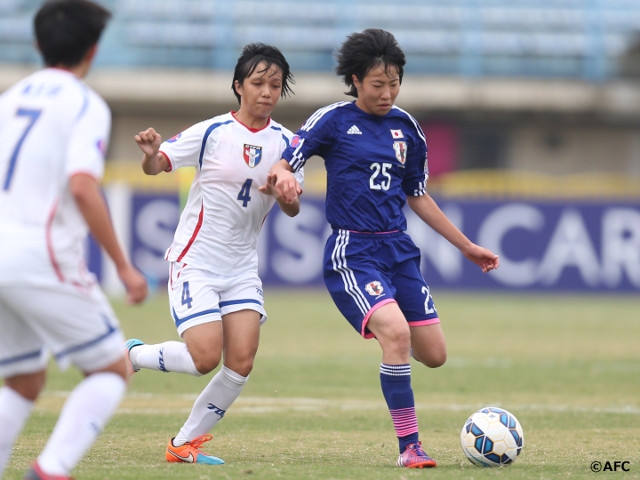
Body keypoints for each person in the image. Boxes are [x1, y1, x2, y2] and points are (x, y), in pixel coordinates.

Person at [267, 28, 500, 469]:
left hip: (399, 251)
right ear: (355, 80)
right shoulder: (332, 120)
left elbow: (418, 195)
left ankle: (392, 343)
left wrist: (467, 246)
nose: (387, 93)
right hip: (352, 252)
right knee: (396, 334)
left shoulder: (407, 128)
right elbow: (286, 162)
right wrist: (283, 181)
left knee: (434, 354)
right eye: (378, 85)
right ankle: (409, 446)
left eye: (394, 84)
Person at [127, 42, 302, 466]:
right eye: (258, 82)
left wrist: (285, 194)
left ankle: (182, 444)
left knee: (241, 362)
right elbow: (158, 164)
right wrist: (151, 155)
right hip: (197, 262)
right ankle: (132, 355)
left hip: (242, 267)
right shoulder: (211, 132)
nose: (266, 92)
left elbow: (293, 205)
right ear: (239, 86)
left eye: (275, 85)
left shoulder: (289, 144)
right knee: (205, 358)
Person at [0, 1, 149, 479]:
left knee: (23, 378)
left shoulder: (10, 98)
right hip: (38, 254)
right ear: (94, 49)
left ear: (39, 44)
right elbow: (83, 185)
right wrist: (123, 266)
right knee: (110, 368)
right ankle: (51, 469)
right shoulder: (85, 103)